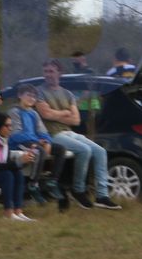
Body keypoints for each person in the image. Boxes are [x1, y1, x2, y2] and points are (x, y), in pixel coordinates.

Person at [38, 59, 119, 209]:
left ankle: (102, 195)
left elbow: (76, 120)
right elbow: (45, 114)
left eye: (51, 71)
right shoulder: (40, 92)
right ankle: (78, 190)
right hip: (53, 134)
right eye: (45, 71)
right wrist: (65, 112)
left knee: (100, 151)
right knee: (84, 150)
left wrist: (58, 114)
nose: (48, 74)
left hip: (69, 132)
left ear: (59, 73)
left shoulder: (67, 94)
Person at [10, 83, 65, 209]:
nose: (31, 99)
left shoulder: (34, 114)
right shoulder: (15, 112)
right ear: (20, 96)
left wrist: (47, 142)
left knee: (60, 149)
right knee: (38, 150)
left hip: (34, 141)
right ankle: (33, 184)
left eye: (34, 97)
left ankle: (53, 181)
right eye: (28, 95)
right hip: (18, 143)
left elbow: (43, 132)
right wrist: (38, 141)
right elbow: (16, 134)